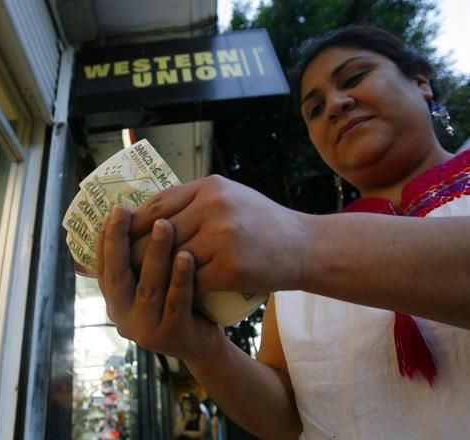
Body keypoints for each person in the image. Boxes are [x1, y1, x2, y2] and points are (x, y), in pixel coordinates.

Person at [95, 24, 470, 439]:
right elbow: (287, 417)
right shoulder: (292, 258)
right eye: (315, 109)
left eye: (354, 78)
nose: (335, 105)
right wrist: (200, 348)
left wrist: (303, 244)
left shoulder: (296, 249)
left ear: (421, 81)